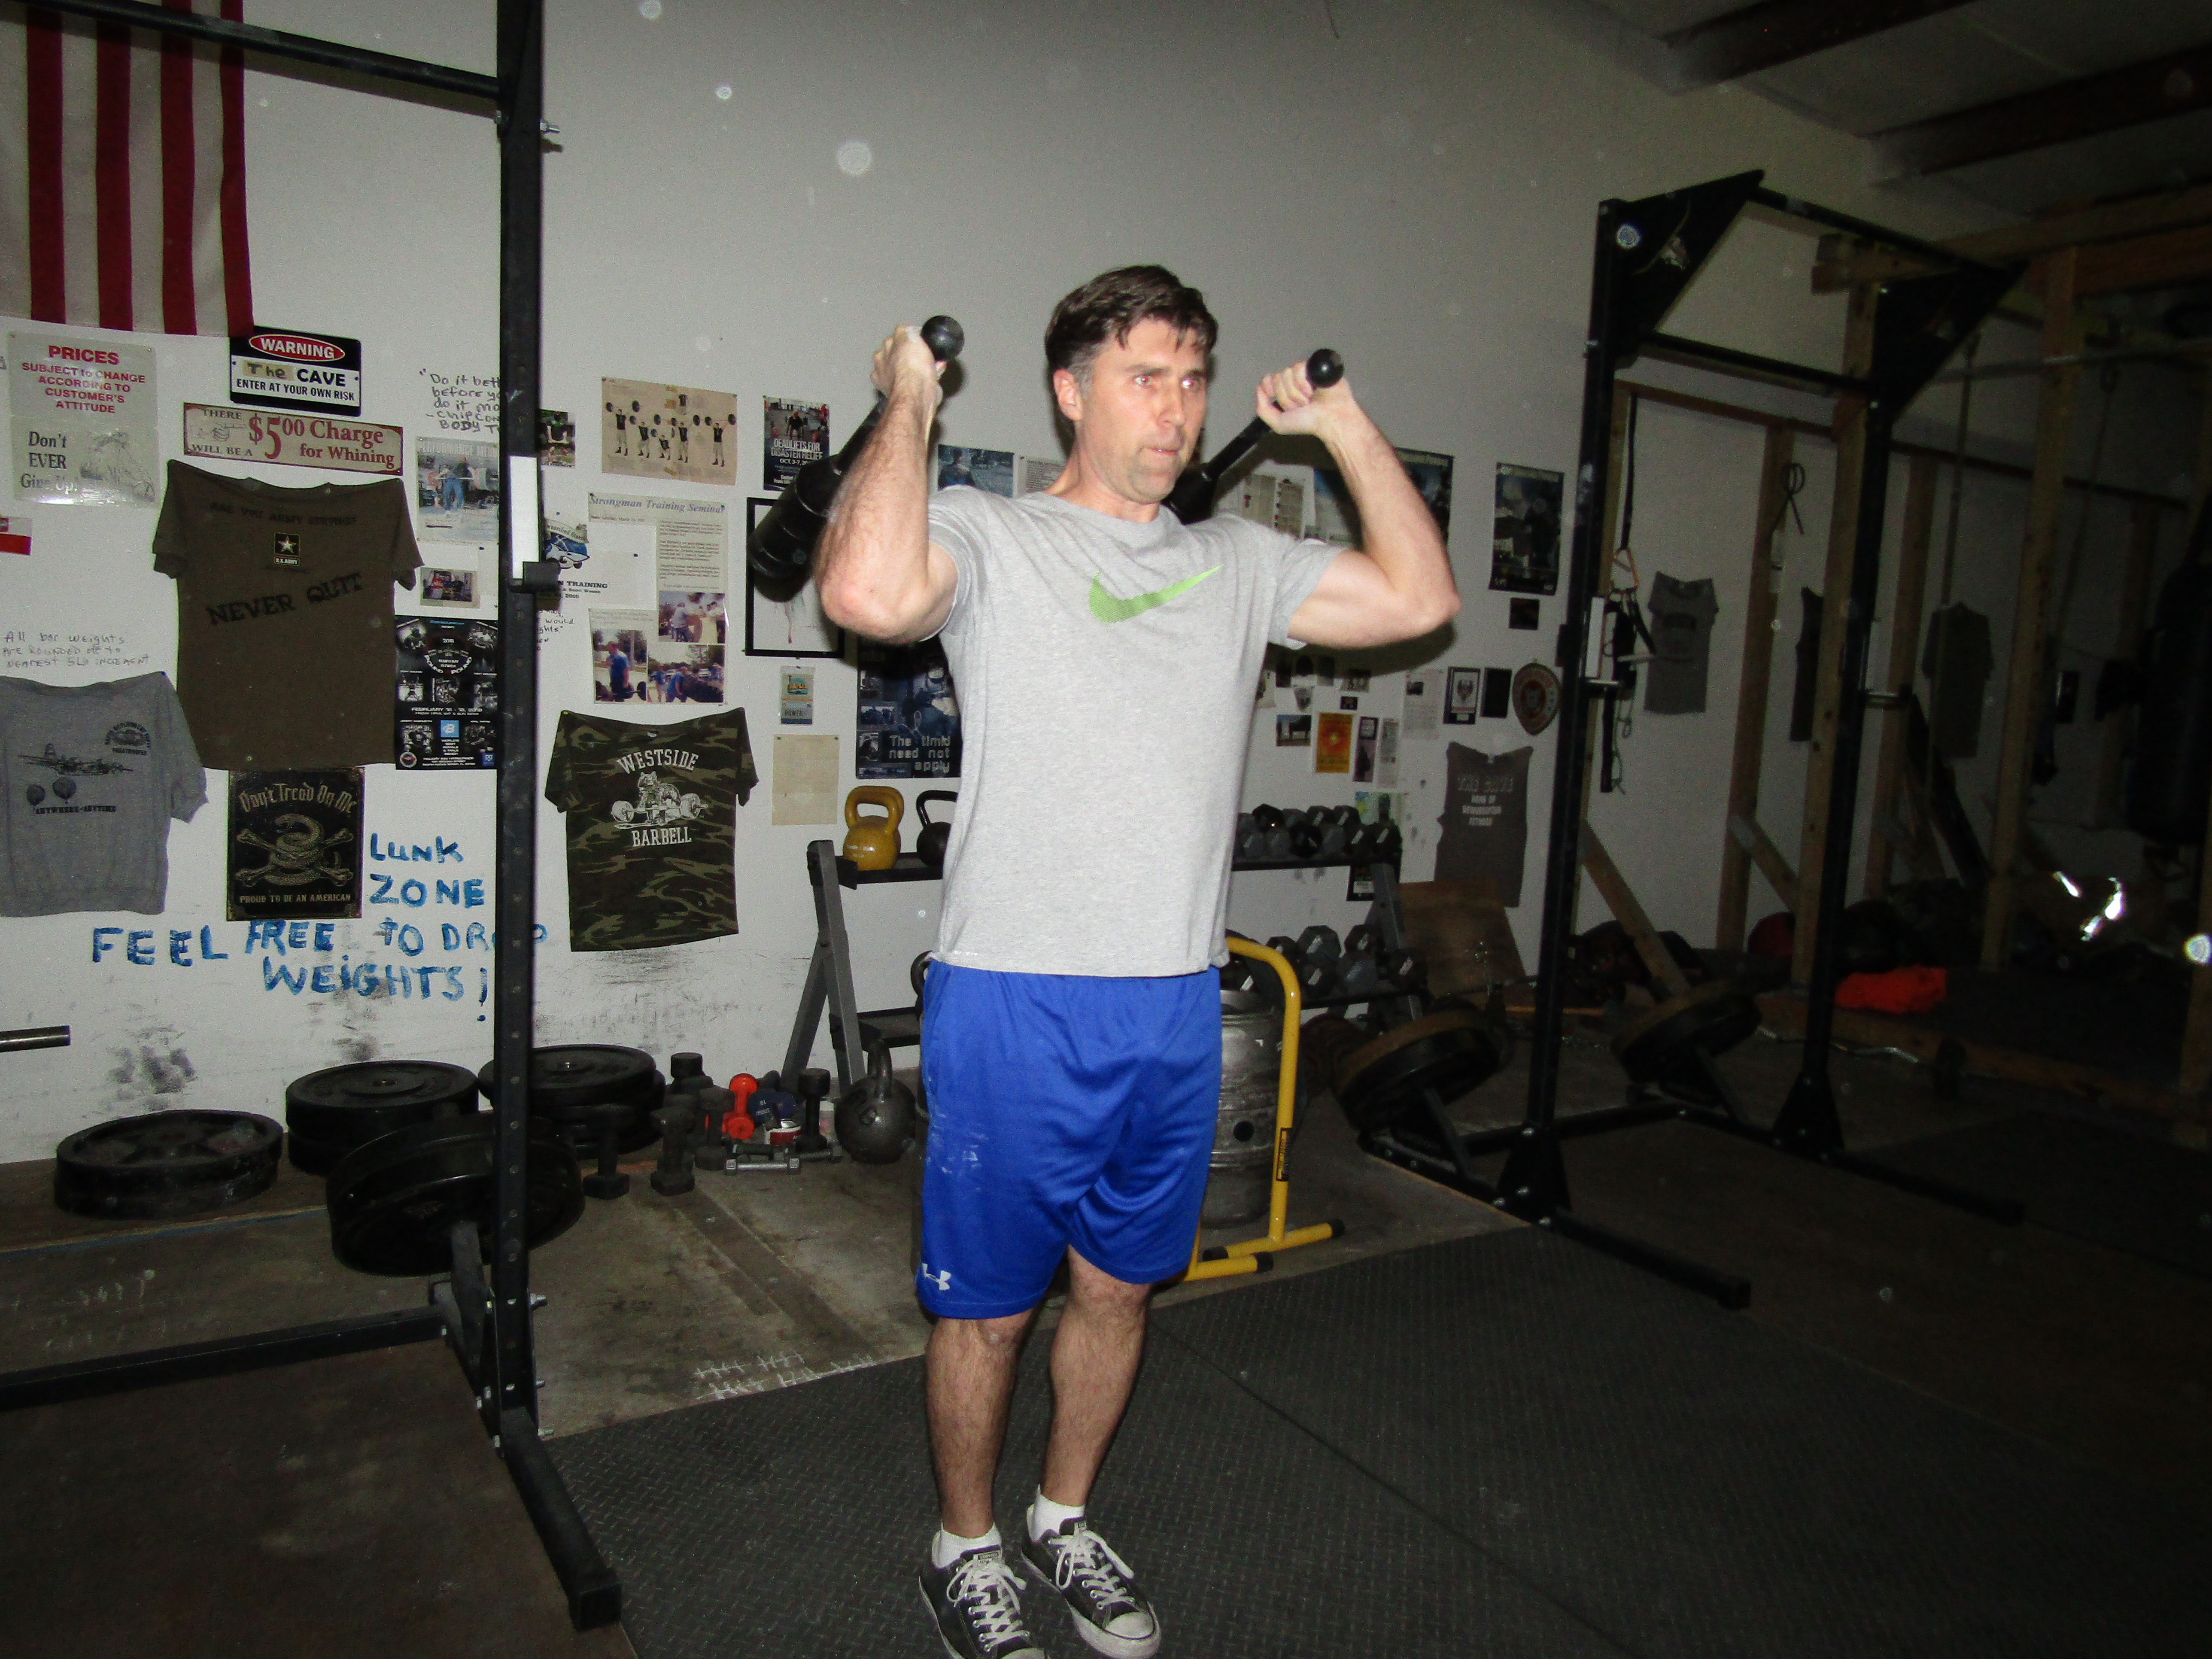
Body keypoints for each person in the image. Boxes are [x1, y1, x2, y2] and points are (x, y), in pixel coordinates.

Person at [817, 266, 1455, 1659]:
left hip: (1171, 1005)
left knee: (1117, 1290)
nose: (1175, 411)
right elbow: (864, 588)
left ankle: (1063, 1516)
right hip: (1015, 996)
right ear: (1071, 391)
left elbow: (1421, 596)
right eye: (1144, 378)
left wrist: (1341, 426)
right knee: (991, 1314)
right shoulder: (990, 534)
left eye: (1193, 380)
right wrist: (910, 400)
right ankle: (965, 1545)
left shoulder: (1241, 563)